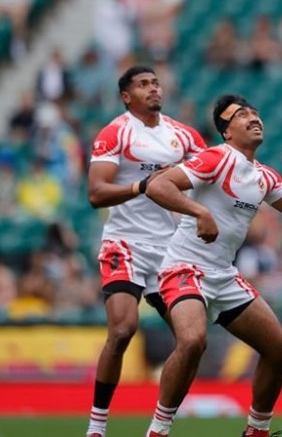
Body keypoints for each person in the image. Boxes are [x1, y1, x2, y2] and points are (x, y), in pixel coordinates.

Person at [143, 95, 282, 437]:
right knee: (194, 340)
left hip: (223, 274)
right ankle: (158, 430)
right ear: (226, 132)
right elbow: (157, 185)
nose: (253, 118)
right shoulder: (216, 157)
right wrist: (200, 212)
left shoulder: (263, 176)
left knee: (280, 348)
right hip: (185, 267)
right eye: (241, 115)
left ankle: (257, 430)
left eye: (255, 113)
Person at [84, 66, 206, 437]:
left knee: (192, 342)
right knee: (122, 330)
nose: (153, 89)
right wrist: (143, 185)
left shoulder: (184, 136)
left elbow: (212, 176)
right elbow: (96, 193)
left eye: (155, 83)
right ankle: (97, 426)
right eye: (143, 84)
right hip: (126, 242)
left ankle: (159, 426)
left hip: (171, 250)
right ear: (126, 96)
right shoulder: (115, 132)